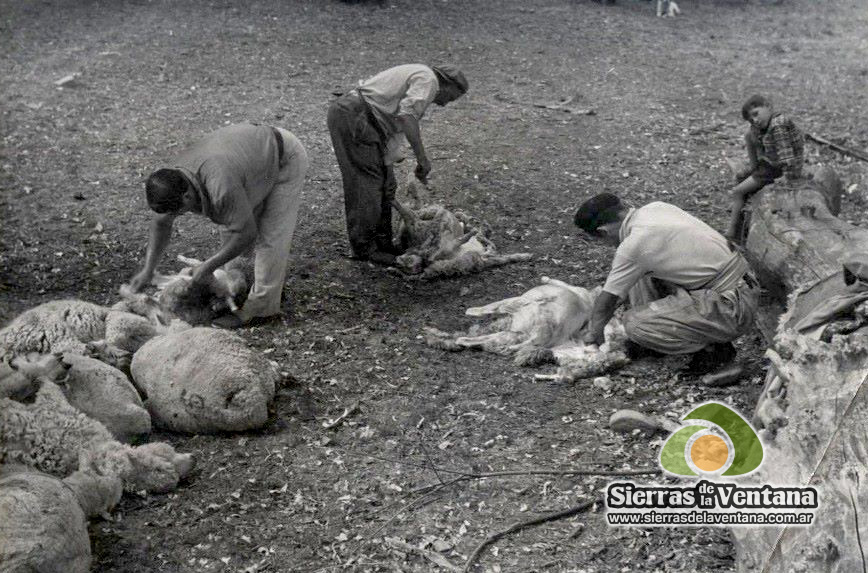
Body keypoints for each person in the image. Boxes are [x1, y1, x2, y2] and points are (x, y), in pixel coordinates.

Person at [128, 123, 309, 329]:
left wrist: (208, 266)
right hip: (250, 155)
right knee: (231, 222)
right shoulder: (169, 181)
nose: (175, 217)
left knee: (271, 235)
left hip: (284, 155)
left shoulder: (220, 187)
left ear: (187, 196)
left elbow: (246, 233)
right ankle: (237, 288)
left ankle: (262, 308)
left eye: (178, 212)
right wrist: (148, 270)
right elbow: (160, 224)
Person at [575, 193, 758, 375]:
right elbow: (615, 293)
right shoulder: (656, 207)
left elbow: (608, 300)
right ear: (625, 205)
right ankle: (659, 338)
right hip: (741, 283)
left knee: (634, 324)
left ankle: (714, 353)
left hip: (732, 306)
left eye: (603, 241)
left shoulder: (634, 244)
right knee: (637, 275)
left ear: (603, 232)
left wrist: (594, 334)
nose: (608, 245)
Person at [327, 63, 468, 266]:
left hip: (367, 120)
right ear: (447, 84)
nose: (445, 103)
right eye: (451, 97)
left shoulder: (420, 75)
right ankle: (365, 248)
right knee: (366, 184)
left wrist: (388, 166)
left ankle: (383, 244)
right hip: (355, 117)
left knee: (385, 184)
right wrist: (422, 158)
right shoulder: (428, 80)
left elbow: (394, 125)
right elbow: (406, 117)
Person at [725, 94, 805, 242]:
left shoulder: (778, 125)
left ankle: (732, 232)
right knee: (741, 177)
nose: (755, 120)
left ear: (768, 106)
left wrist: (787, 181)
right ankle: (742, 217)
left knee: (738, 191)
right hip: (770, 164)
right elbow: (763, 146)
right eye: (751, 119)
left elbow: (786, 156)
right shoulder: (764, 125)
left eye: (756, 114)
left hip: (779, 169)